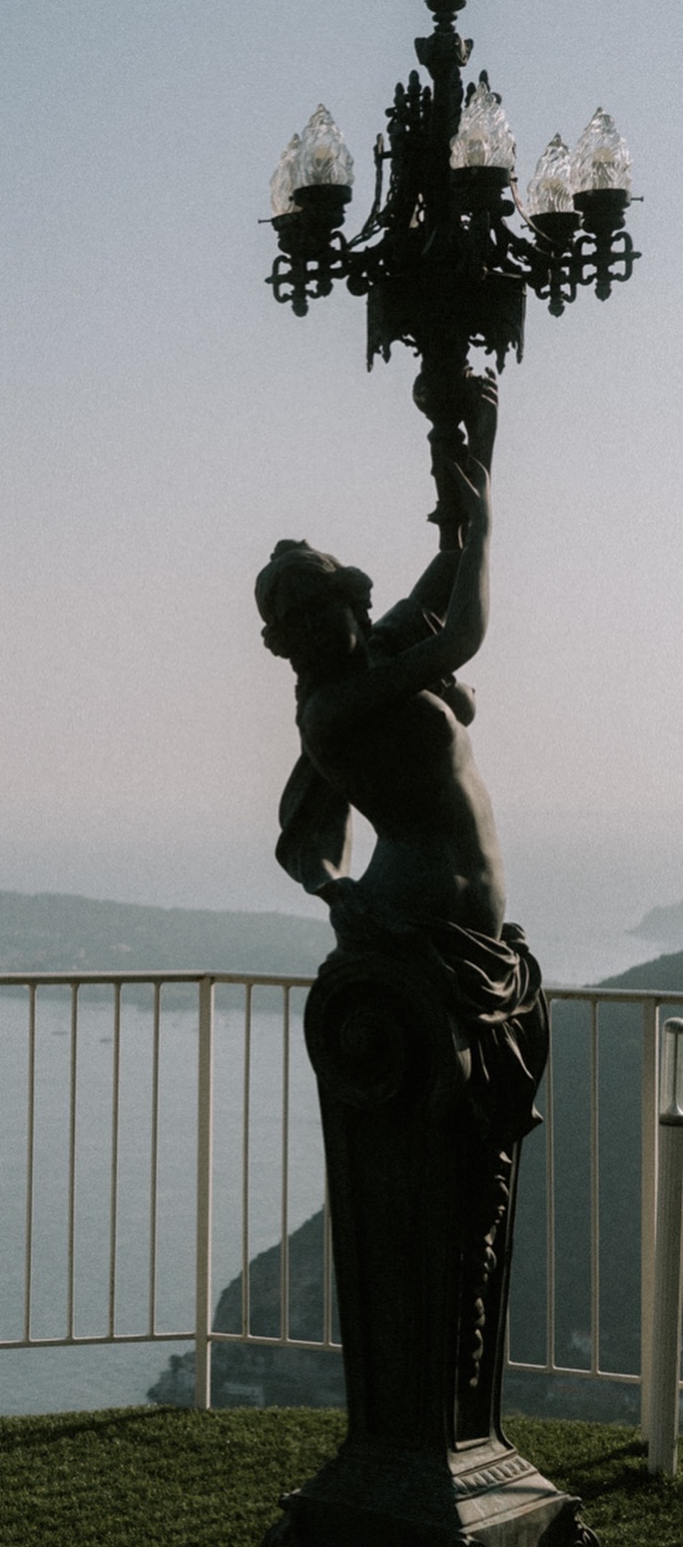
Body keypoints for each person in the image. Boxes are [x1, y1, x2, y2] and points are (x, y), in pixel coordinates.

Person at [255, 372, 546, 1140]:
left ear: (348, 598)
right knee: (425, 1144)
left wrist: (475, 441)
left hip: (463, 930)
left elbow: (447, 566)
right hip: (416, 919)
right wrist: (484, 528)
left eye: (317, 606)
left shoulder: (381, 650)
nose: (309, 628)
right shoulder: (333, 712)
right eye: (292, 623)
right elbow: (462, 637)